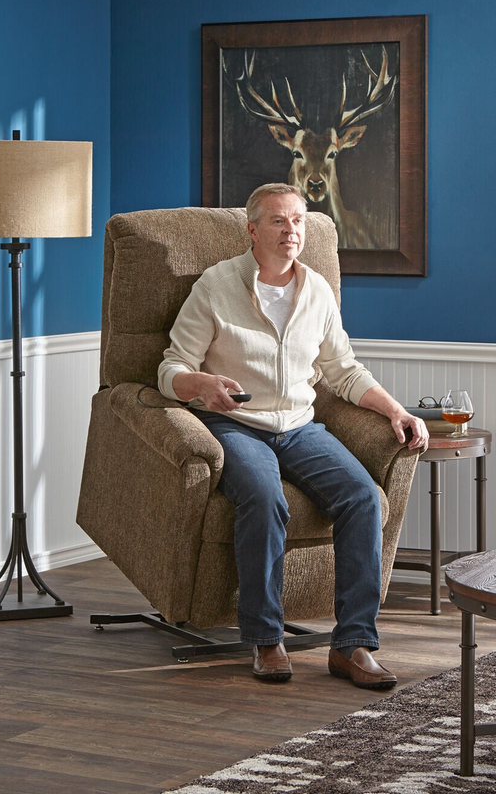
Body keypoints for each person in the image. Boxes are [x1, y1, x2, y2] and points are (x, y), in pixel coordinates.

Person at [157, 183, 428, 688]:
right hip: (234, 425)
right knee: (264, 499)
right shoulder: (215, 287)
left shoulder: (317, 290)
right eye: (280, 221)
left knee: (364, 498)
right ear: (253, 230)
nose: (292, 231)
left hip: (299, 427)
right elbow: (170, 367)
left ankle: (353, 645)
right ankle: (265, 638)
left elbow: (343, 370)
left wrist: (396, 411)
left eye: (299, 221)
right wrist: (202, 384)